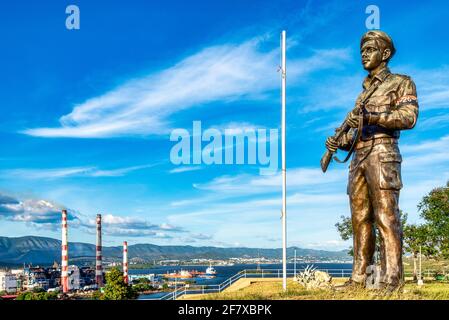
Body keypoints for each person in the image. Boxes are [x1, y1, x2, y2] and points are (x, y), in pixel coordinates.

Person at [325, 30, 419, 290]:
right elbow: (356, 133)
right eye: (362, 51)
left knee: (386, 217)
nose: (364, 54)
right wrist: (341, 142)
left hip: (383, 153)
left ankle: (391, 280)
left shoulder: (401, 82)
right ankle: (360, 279)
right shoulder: (362, 93)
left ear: (385, 54)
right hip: (359, 156)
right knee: (360, 220)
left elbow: (408, 117)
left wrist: (373, 117)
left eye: (370, 49)